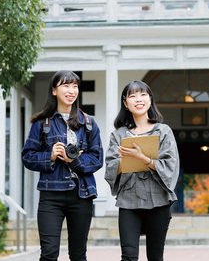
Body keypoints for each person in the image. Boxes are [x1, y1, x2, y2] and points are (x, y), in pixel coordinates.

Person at [22, 70, 103, 261]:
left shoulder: (89, 123)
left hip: (82, 194)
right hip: (51, 196)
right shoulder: (42, 124)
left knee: (78, 254)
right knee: (49, 253)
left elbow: (97, 159)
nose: (71, 90)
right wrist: (49, 156)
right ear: (54, 91)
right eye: (65, 85)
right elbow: (27, 156)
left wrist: (74, 161)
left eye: (75, 86)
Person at [104, 80, 180, 261]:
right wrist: (126, 159)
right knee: (128, 256)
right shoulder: (118, 135)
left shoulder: (163, 131)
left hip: (159, 202)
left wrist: (143, 159)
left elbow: (171, 166)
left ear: (150, 99)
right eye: (132, 96)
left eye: (143, 94)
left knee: (155, 257)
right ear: (125, 103)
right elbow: (110, 168)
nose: (139, 99)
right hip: (129, 203)